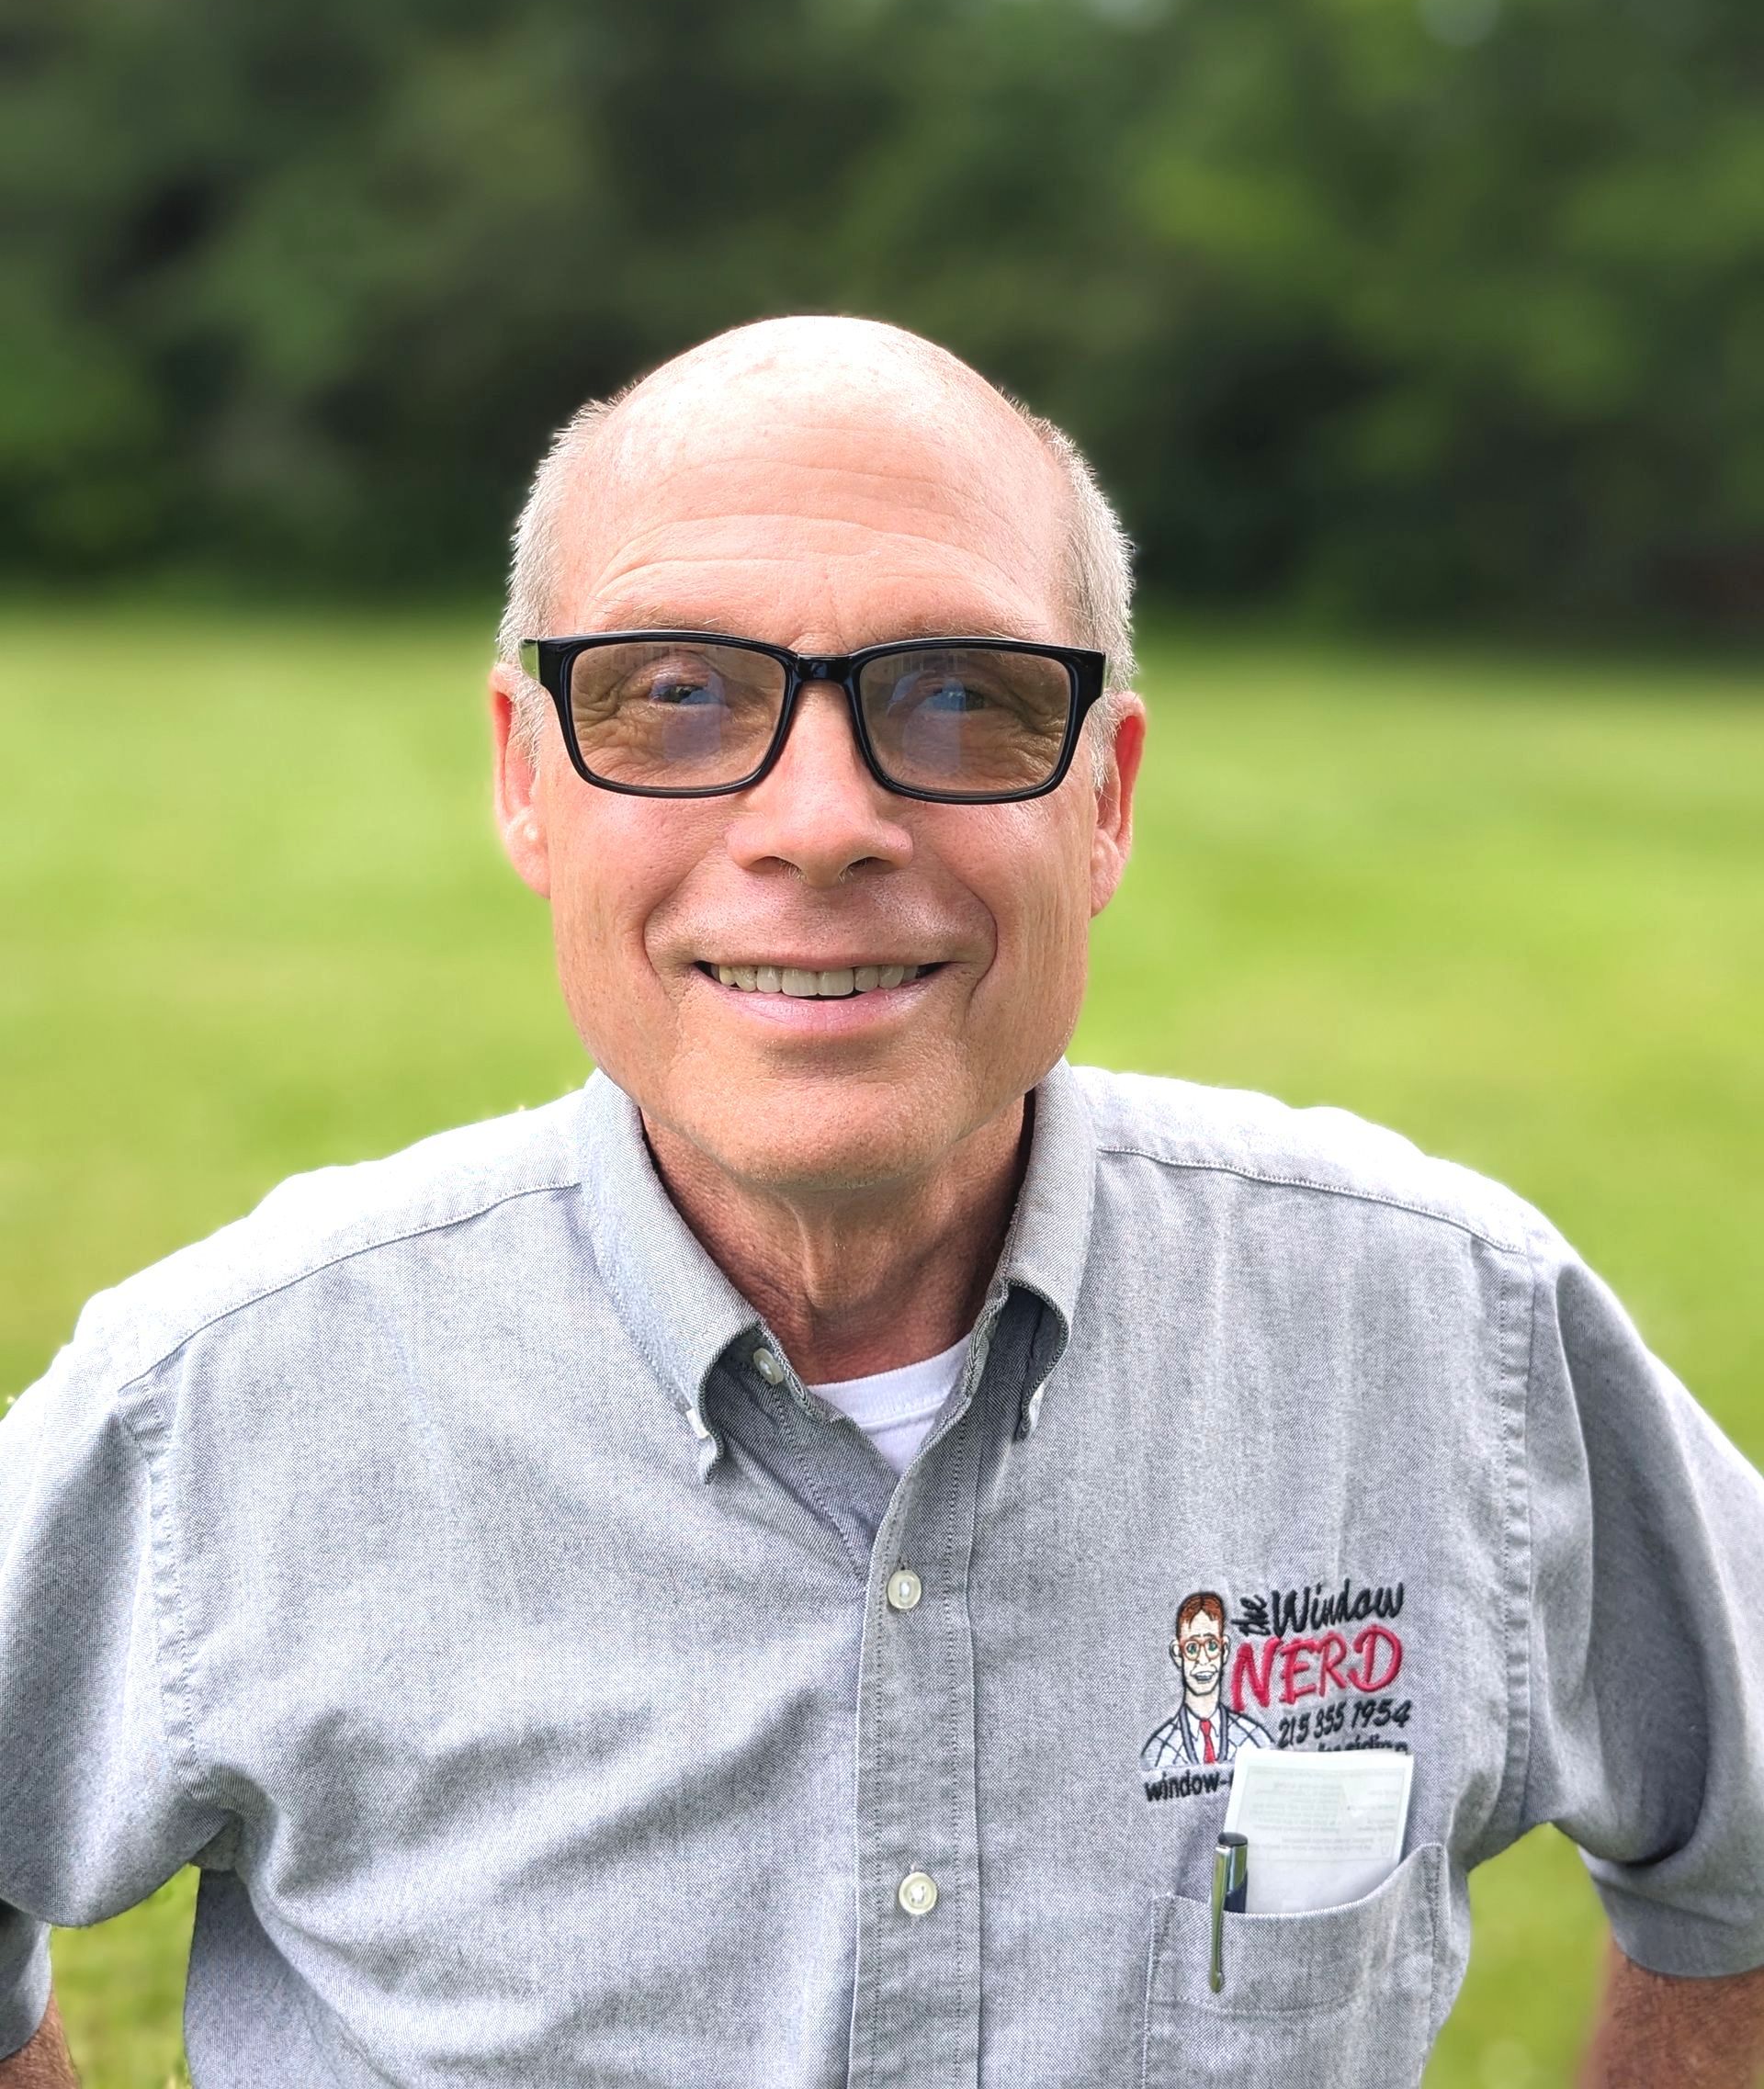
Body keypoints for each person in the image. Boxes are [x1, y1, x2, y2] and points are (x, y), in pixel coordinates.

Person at [2, 316, 1762, 2088]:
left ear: (1106, 799)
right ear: (528, 778)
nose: (821, 822)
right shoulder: (217, 1404)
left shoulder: (1450, 1339)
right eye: (677, 696)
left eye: (960, 696)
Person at [1140, 1589, 1272, 1783]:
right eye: (1192, 1648)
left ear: (1224, 1649)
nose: (1203, 1660)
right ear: (1178, 1653)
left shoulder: (1256, 1740)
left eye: (1211, 1646)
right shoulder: (1158, 1752)